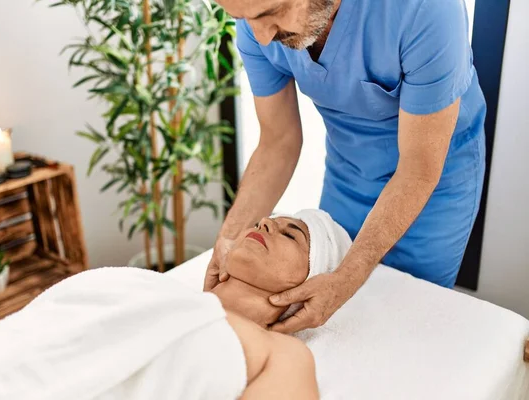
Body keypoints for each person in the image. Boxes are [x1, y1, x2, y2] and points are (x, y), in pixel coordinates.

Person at [205, 0, 487, 335]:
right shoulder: (255, 18)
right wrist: (229, 238)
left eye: (271, 15)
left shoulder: (425, 11)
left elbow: (418, 166)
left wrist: (347, 278)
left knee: (403, 324)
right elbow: (277, 142)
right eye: (242, 19)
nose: (261, 37)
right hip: (348, 172)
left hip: (433, 187)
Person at [0, 209, 350, 400]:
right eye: (271, 219)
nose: (266, 223)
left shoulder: (282, 354)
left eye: (291, 234)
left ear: (309, 286)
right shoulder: (141, 284)